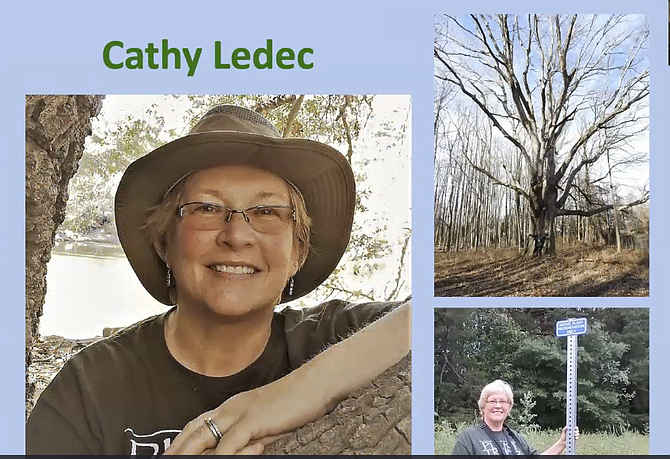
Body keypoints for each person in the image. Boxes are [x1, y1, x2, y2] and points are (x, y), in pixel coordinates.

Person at [26, 104, 411, 455]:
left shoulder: (344, 336)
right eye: (207, 207)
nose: (237, 235)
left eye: (266, 211)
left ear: (298, 252)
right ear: (165, 242)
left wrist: (302, 391)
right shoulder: (89, 390)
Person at [452, 380, 579, 456]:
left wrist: (563, 442)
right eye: (492, 401)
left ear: (509, 407)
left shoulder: (516, 438)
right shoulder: (469, 437)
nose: (498, 406)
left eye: (503, 401)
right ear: (483, 407)